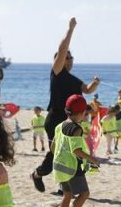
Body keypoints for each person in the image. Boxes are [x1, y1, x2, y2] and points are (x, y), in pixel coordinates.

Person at [31, 17, 101, 192]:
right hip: (54, 119)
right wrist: (70, 29)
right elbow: (62, 49)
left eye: (71, 58)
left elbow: (87, 89)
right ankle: (38, 174)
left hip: (69, 121)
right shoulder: (57, 73)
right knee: (55, 153)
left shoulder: (73, 79)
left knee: (69, 152)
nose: (68, 60)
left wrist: (96, 84)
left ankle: (64, 188)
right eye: (65, 57)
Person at [52, 95, 98, 207]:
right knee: (84, 193)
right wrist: (92, 160)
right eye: (85, 113)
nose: (85, 116)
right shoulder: (76, 129)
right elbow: (76, 150)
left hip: (58, 166)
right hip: (72, 168)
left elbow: (52, 146)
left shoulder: (60, 126)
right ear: (80, 113)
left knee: (67, 195)